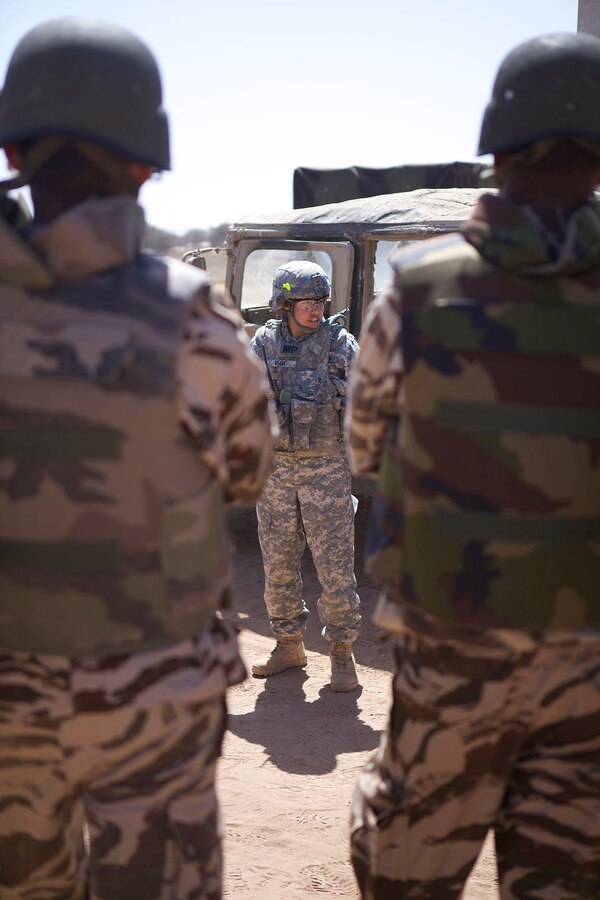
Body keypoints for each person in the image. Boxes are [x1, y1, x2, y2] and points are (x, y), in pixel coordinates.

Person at [0, 17, 274, 900]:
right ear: (149, 162)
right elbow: (246, 474)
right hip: (156, 688)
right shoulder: (195, 318)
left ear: (12, 147)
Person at [347, 32, 600, 900]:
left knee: (403, 872)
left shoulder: (417, 290)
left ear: (494, 145)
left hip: (452, 639)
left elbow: (364, 444)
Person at [250, 260, 361, 692]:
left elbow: (369, 394)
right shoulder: (262, 343)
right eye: (305, 302)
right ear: (284, 303)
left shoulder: (339, 344)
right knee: (277, 565)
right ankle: (289, 644)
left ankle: (342, 654)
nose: (315, 310)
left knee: (335, 569)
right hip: (276, 474)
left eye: (319, 301)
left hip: (326, 470)